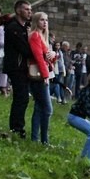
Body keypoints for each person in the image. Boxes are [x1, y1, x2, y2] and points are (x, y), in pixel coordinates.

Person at [3, 1, 34, 137]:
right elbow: (25, 49)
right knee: (21, 97)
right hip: (16, 66)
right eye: (26, 9)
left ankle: (17, 126)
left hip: (21, 67)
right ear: (18, 10)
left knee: (22, 97)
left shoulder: (23, 28)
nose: (29, 12)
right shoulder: (13, 28)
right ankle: (17, 127)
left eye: (30, 9)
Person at [27, 12, 53, 145]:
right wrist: (46, 76)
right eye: (42, 20)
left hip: (42, 73)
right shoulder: (35, 35)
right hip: (38, 75)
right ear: (36, 21)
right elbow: (38, 57)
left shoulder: (43, 36)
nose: (45, 22)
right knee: (48, 109)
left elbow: (47, 58)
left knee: (39, 107)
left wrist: (53, 55)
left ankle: (36, 139)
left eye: (46, 20)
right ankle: (43, 140)